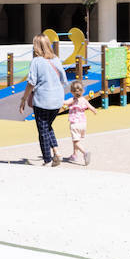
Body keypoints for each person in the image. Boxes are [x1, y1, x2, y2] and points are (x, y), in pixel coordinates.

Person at [19, 33, 68, 166]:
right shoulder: (56, 59)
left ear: (36, 47)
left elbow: (31, 82)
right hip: (57, 100)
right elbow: (64, 80)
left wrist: (23, 99)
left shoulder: (36, 61)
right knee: (47, 126)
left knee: (42, 131)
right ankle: (56, 152)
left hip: (43, 100)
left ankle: (47, 160)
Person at [63, 79, 97, 165]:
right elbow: (91, 107)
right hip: (83, 124)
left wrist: (58, 100)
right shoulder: (84, 100)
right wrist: (94, 111)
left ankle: (85, 153)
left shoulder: (72, 100)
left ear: (71, 91)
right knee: (77, 139)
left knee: (75, 141)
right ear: (83, 90)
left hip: (75, 124)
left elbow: (65, 102)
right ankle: (74, 155)